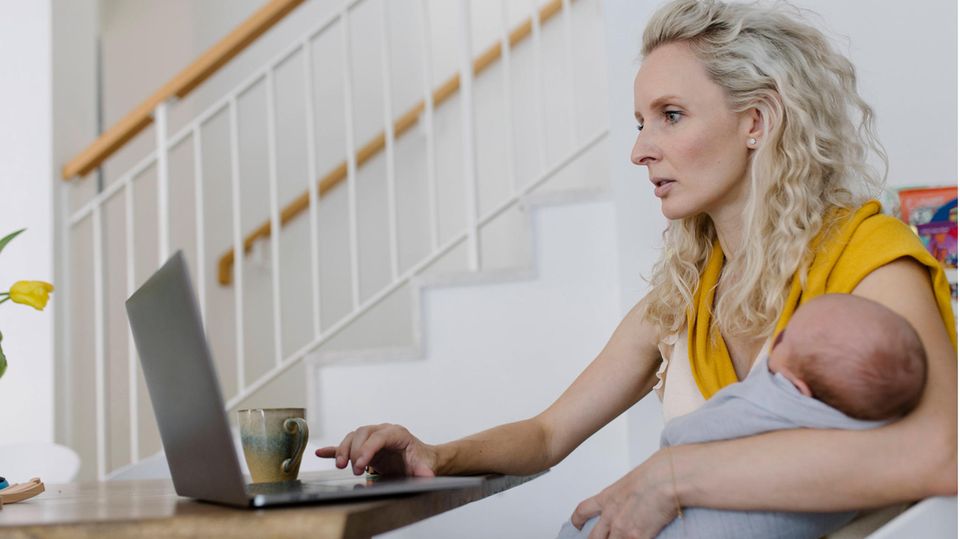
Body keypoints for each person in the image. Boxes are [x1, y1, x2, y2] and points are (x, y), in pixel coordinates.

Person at [316, 1, 957, 537]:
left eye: (670, 115)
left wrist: (675, 476)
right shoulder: (684, 292)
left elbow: (943, 454)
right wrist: (436, 453)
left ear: (756, 122)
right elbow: (546, 434)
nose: (639, 150)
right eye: (640, 121)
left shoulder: (868, 254)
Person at [562, 293, 928, 539]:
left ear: (797, 387)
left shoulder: (772, 398)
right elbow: (549, 434)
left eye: (782, 342)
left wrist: (669, 461)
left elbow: (691, 434)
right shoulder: (870, 420)